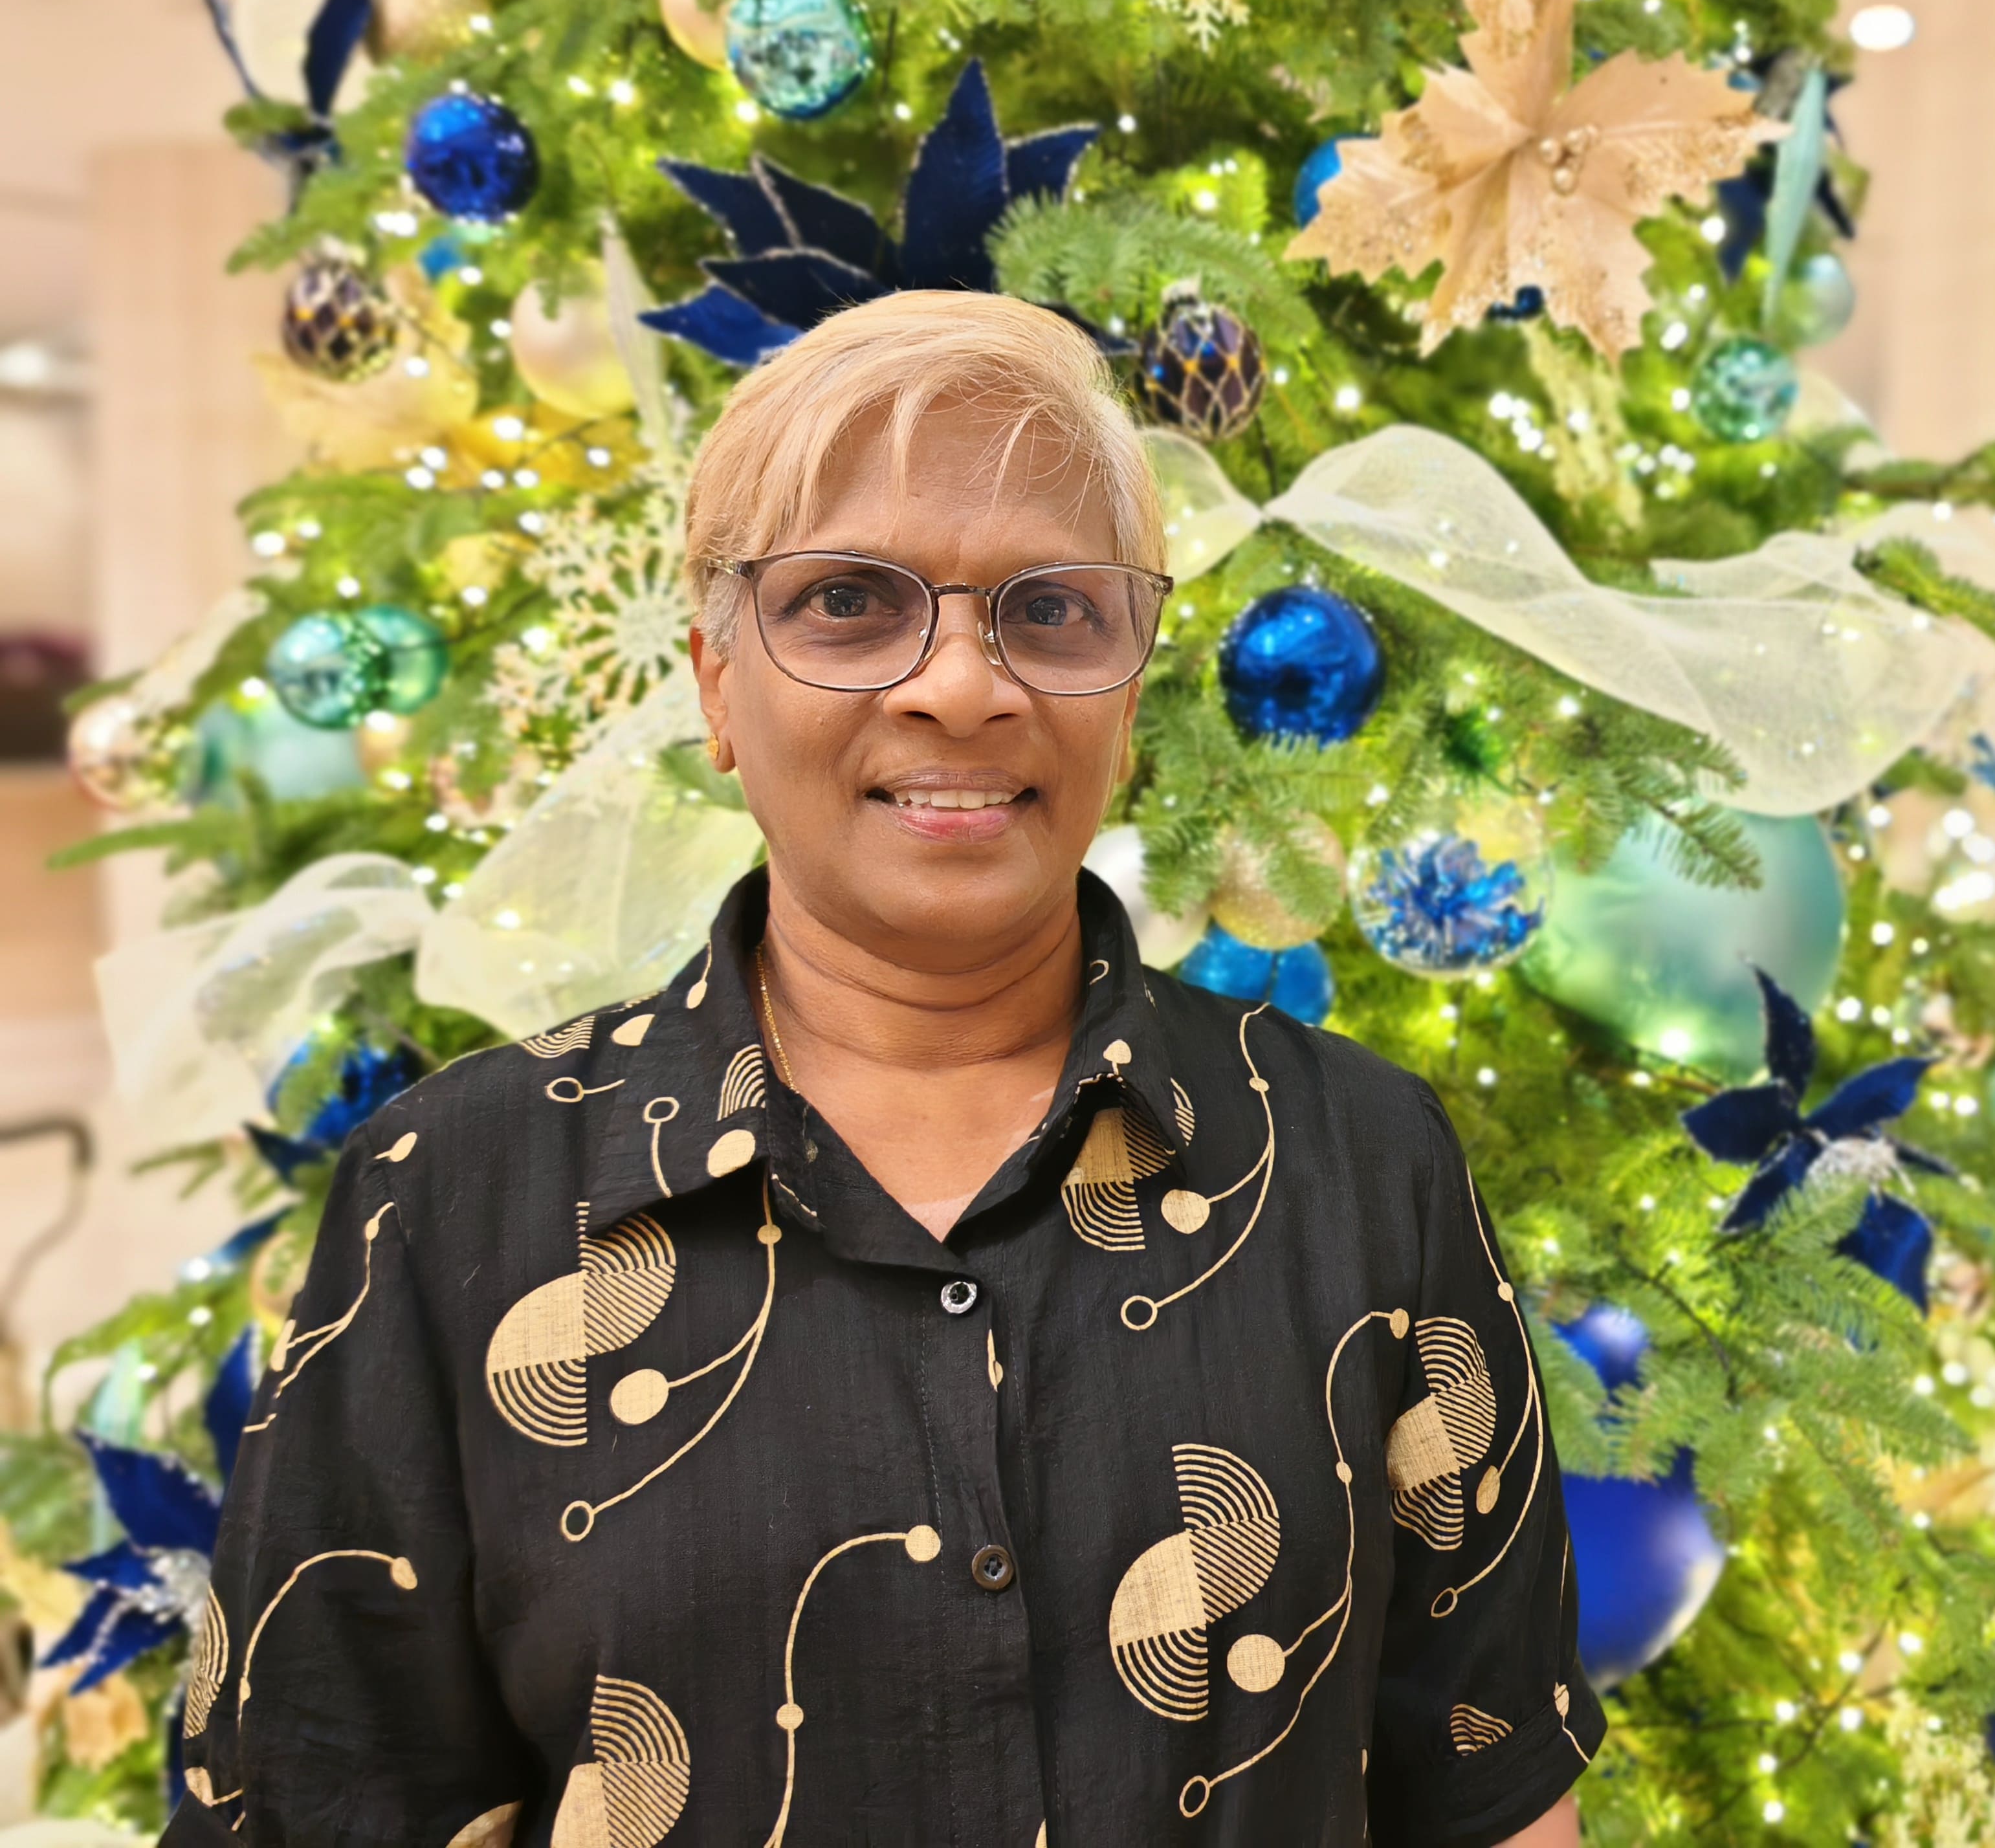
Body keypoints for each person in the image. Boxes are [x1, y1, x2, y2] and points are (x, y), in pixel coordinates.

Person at [170, 291, 1598, 1847]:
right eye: (850, 602)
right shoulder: (451, 1200)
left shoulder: (1355, 1161)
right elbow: (317, 1793)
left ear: (1128, 684)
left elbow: (1490, 1779)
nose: (962, 687)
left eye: (1051, 609)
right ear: (719, 685)